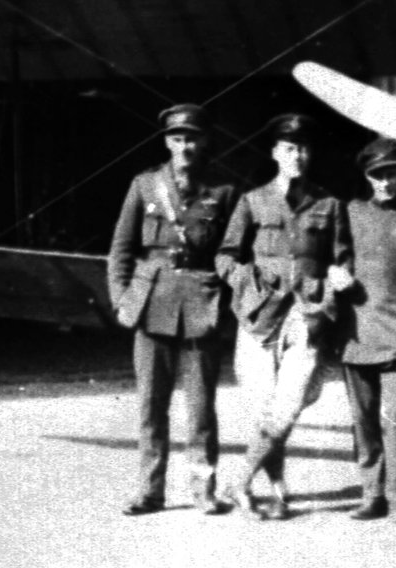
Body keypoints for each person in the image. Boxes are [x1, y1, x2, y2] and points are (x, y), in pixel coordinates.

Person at [215, 113, 353, 520]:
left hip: (306, 318)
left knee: (287, 407)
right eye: (290, 148)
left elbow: (341, 258)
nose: (298, 155)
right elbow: (225, 257)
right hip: (259, 320)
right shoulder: (253, 201)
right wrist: (248, 282)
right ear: (276, 152)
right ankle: (277, 491)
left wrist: (332, 286)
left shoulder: (329, 204)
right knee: (264, 410)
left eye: (305, 148)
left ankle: (239, 481)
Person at [108, 103, 237, 516]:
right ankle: (149, 491)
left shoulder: (223, 192)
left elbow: (234, 254)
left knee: (200, 407)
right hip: (152, 303)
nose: (185, 147)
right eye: (178, 139)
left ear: (205, 142)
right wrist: (122, 300)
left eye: (193, 138)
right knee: (151, 405)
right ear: (167, 141)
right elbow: (121, 251)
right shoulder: (145, 186)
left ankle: (203, 490)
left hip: (202, 303)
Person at [339, 138, 396, 524]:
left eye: (392, 173)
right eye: (378, 175)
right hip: (356, 331)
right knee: (364, 420)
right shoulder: (350, 212)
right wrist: (333, 272)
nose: (386, 182)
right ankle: (371, 493)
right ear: (367, 176)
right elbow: (333, 256)